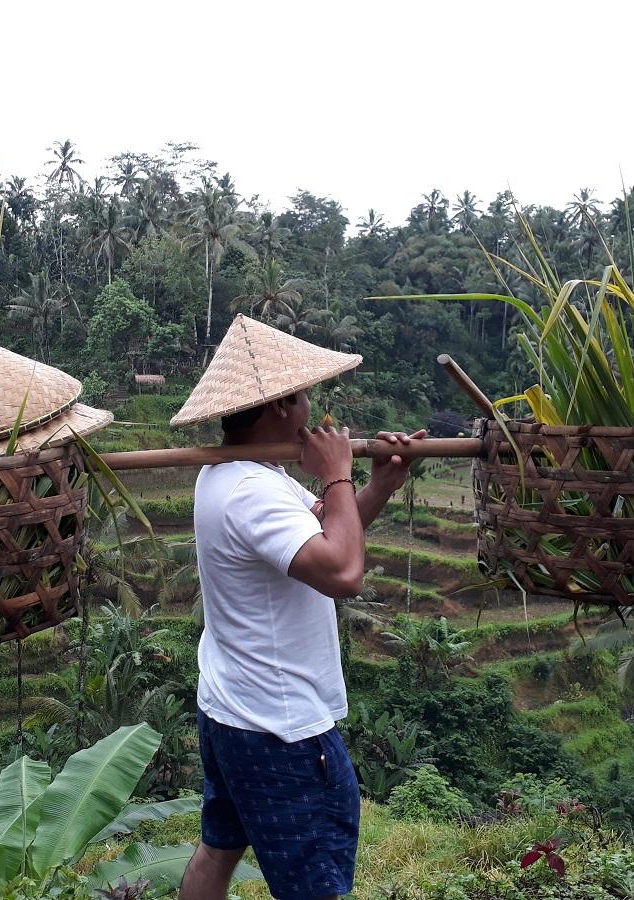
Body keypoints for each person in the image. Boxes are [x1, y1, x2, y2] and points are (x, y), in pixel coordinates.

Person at [171, 315, 424, 900]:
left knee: (218, 849)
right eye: (305, 395)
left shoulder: (236, 475)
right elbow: (342, 572)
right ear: (281, 407)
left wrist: (380, 481)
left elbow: (326, 533)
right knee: (315, 885)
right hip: (280, 728)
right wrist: (337, 474)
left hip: (233, 707)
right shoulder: (250, 492)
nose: (314, 407)